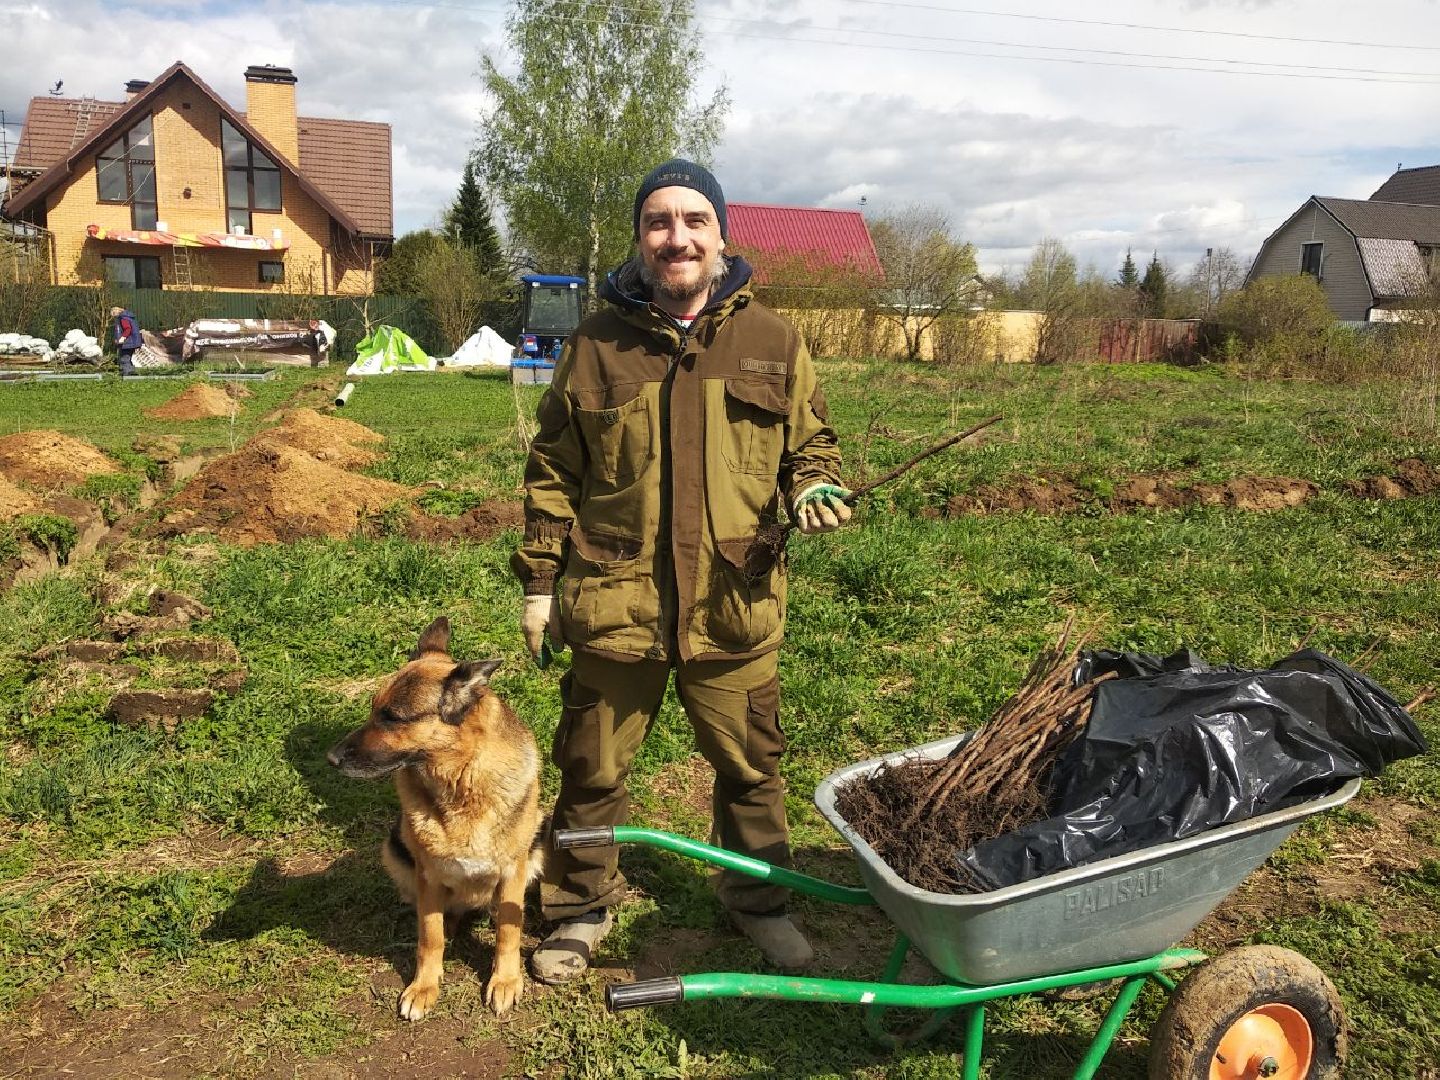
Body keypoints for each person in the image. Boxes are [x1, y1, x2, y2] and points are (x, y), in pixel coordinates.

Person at [512, 159, 854, 985]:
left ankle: (756, 903)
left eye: (693, 220)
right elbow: (553, 470)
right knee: (590, 768)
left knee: (751, 768)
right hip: (614, 603)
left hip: (734, 604)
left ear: (721, 234)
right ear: (640, 239)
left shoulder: (773, 339)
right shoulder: (596, 343)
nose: (677, 237)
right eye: (659, 222)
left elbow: (809, 444)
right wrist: (537, 585)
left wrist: (812, 484)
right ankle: (578, 908)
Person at [111, 306, 141, 376]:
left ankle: (127, 375)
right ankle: (132, 373)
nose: (113, 317)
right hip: (132, 342)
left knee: (124, 359)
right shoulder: (129, 317)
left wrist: (122, 337)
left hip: (127, 343)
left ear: (116, 312)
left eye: (113, 315)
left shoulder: (123, 319)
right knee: (127, 359)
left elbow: (127, 329)